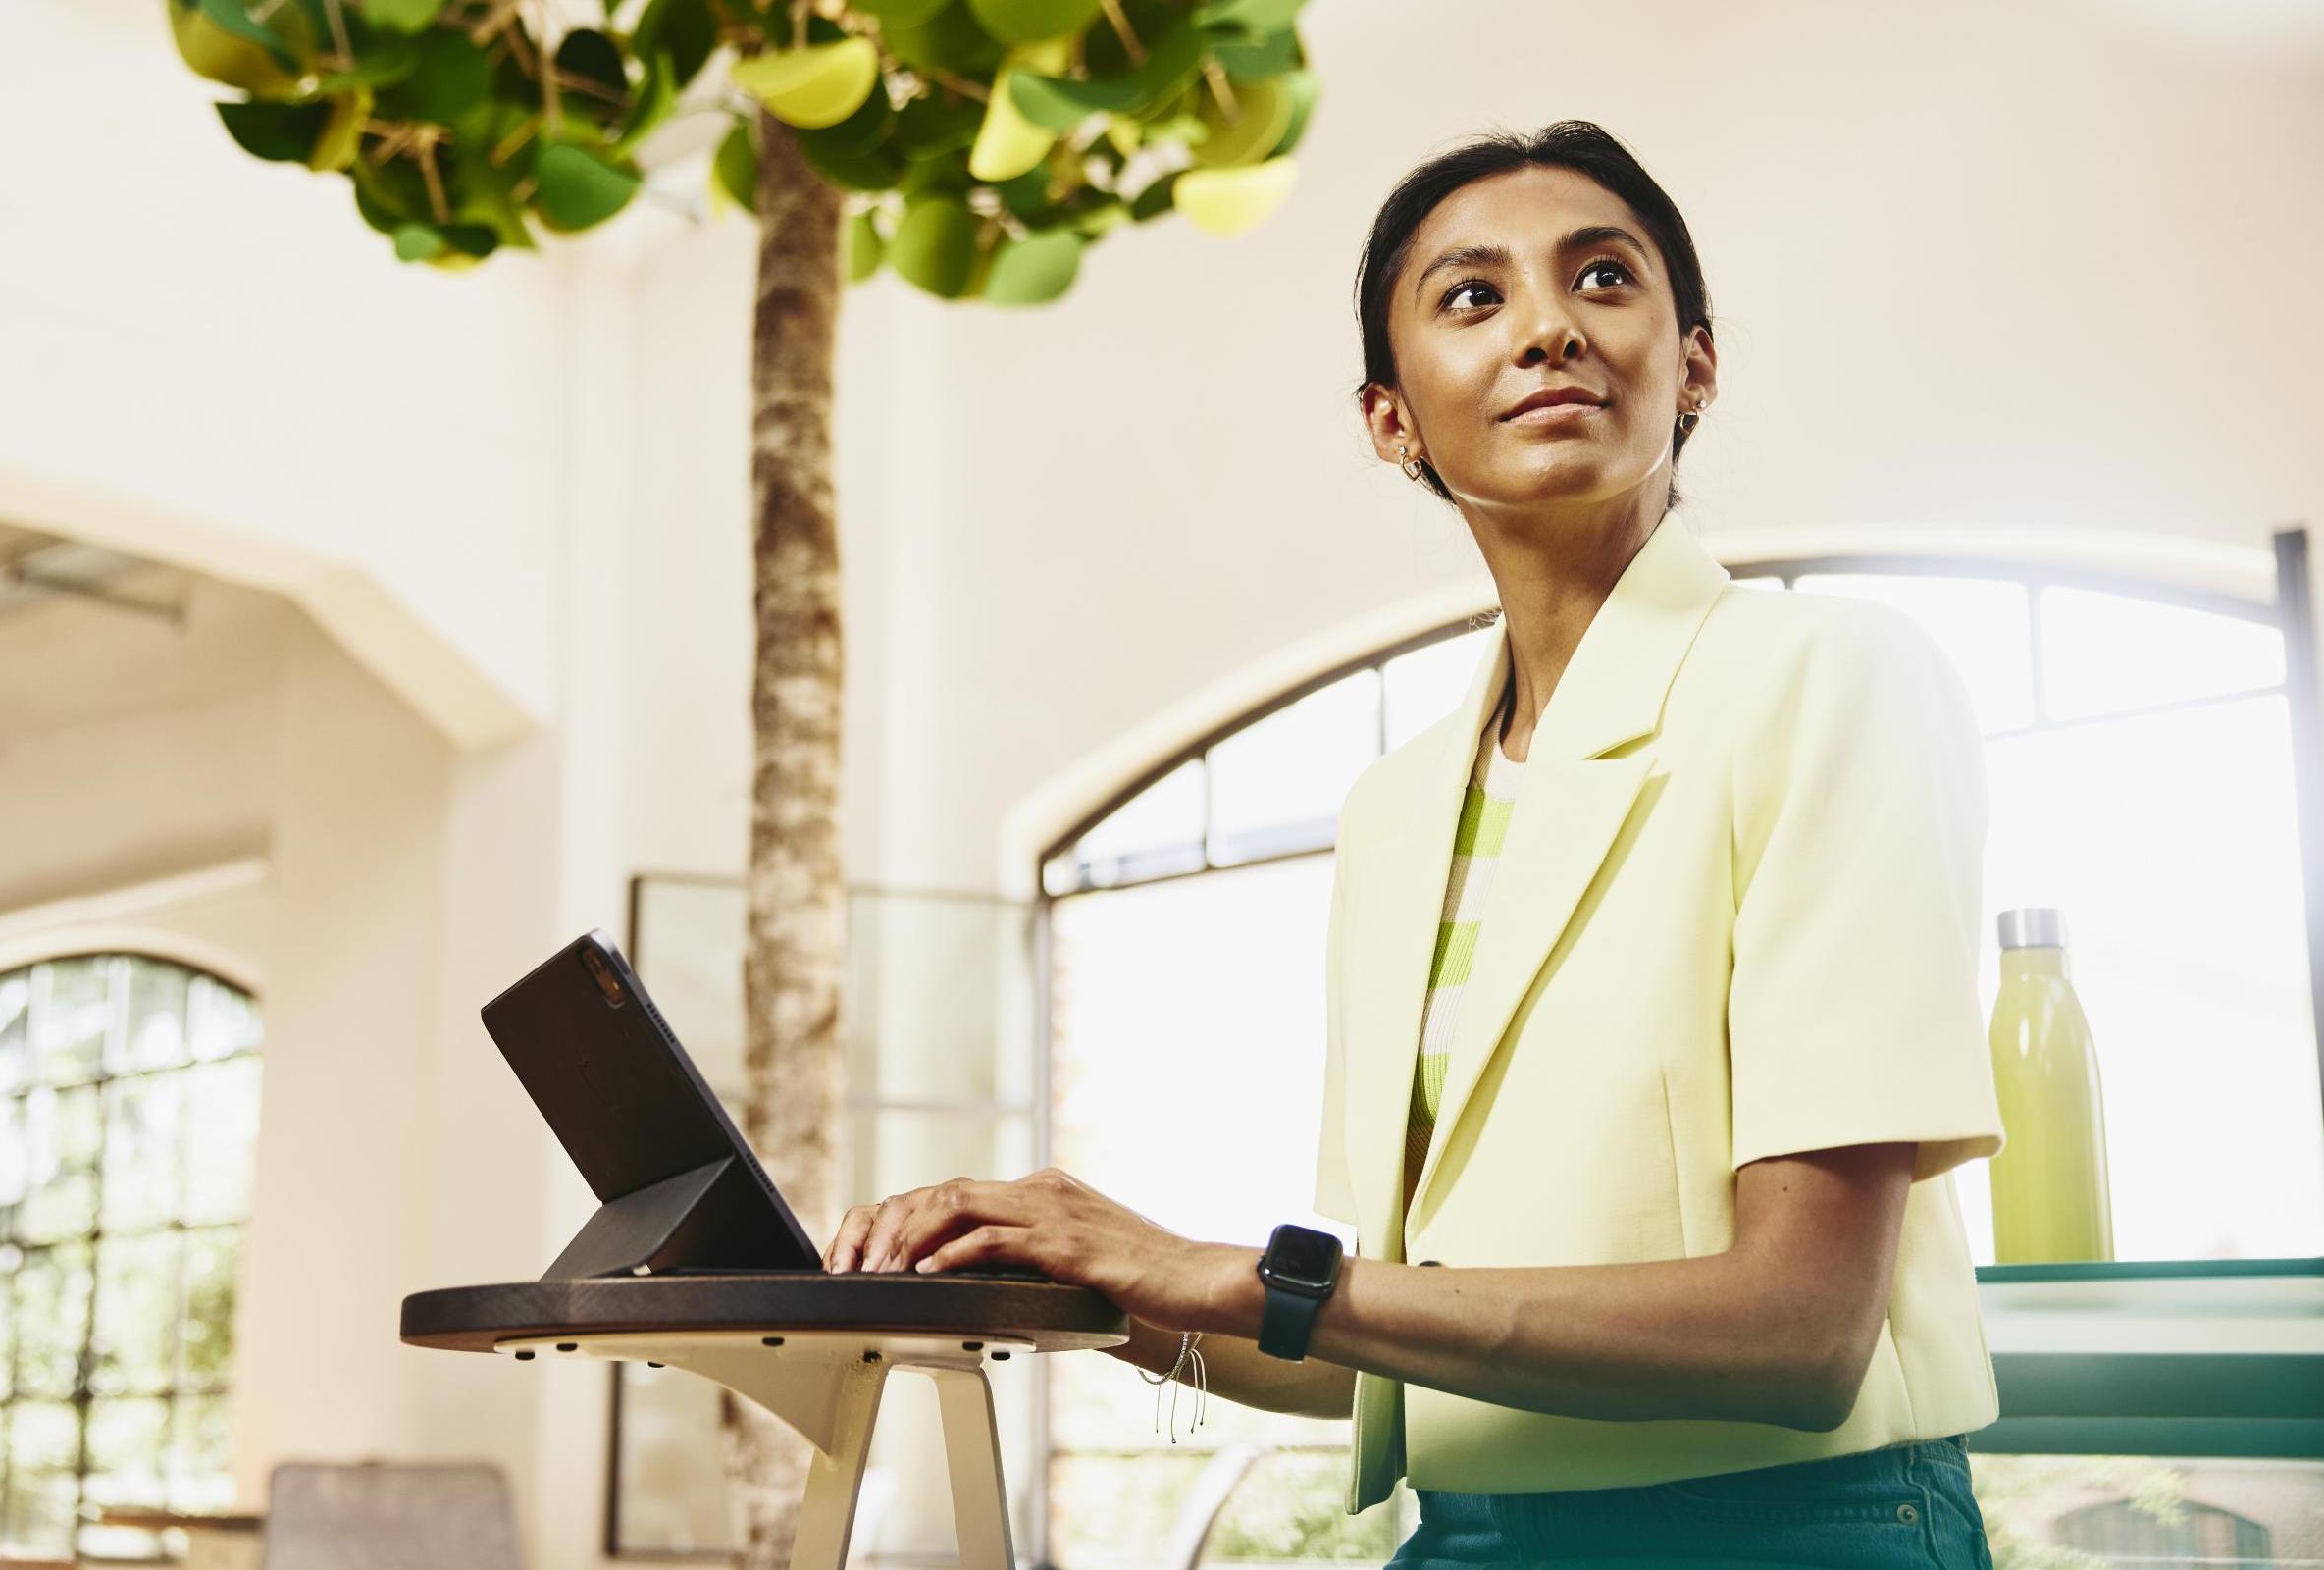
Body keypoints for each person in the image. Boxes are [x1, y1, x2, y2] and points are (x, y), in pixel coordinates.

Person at [825, 120, 2005, 1567]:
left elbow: (1799, 1331)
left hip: (1792, 1533)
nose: (1550, 327)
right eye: (1474, 296)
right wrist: (1079, 1278)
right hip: (1466, 1538)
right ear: (1392, 421)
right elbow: (1363, 1355)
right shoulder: (1399, 813)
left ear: (1693, 365)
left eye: (1604, 279)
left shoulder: (1830, 678)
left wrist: (1220, 1270)